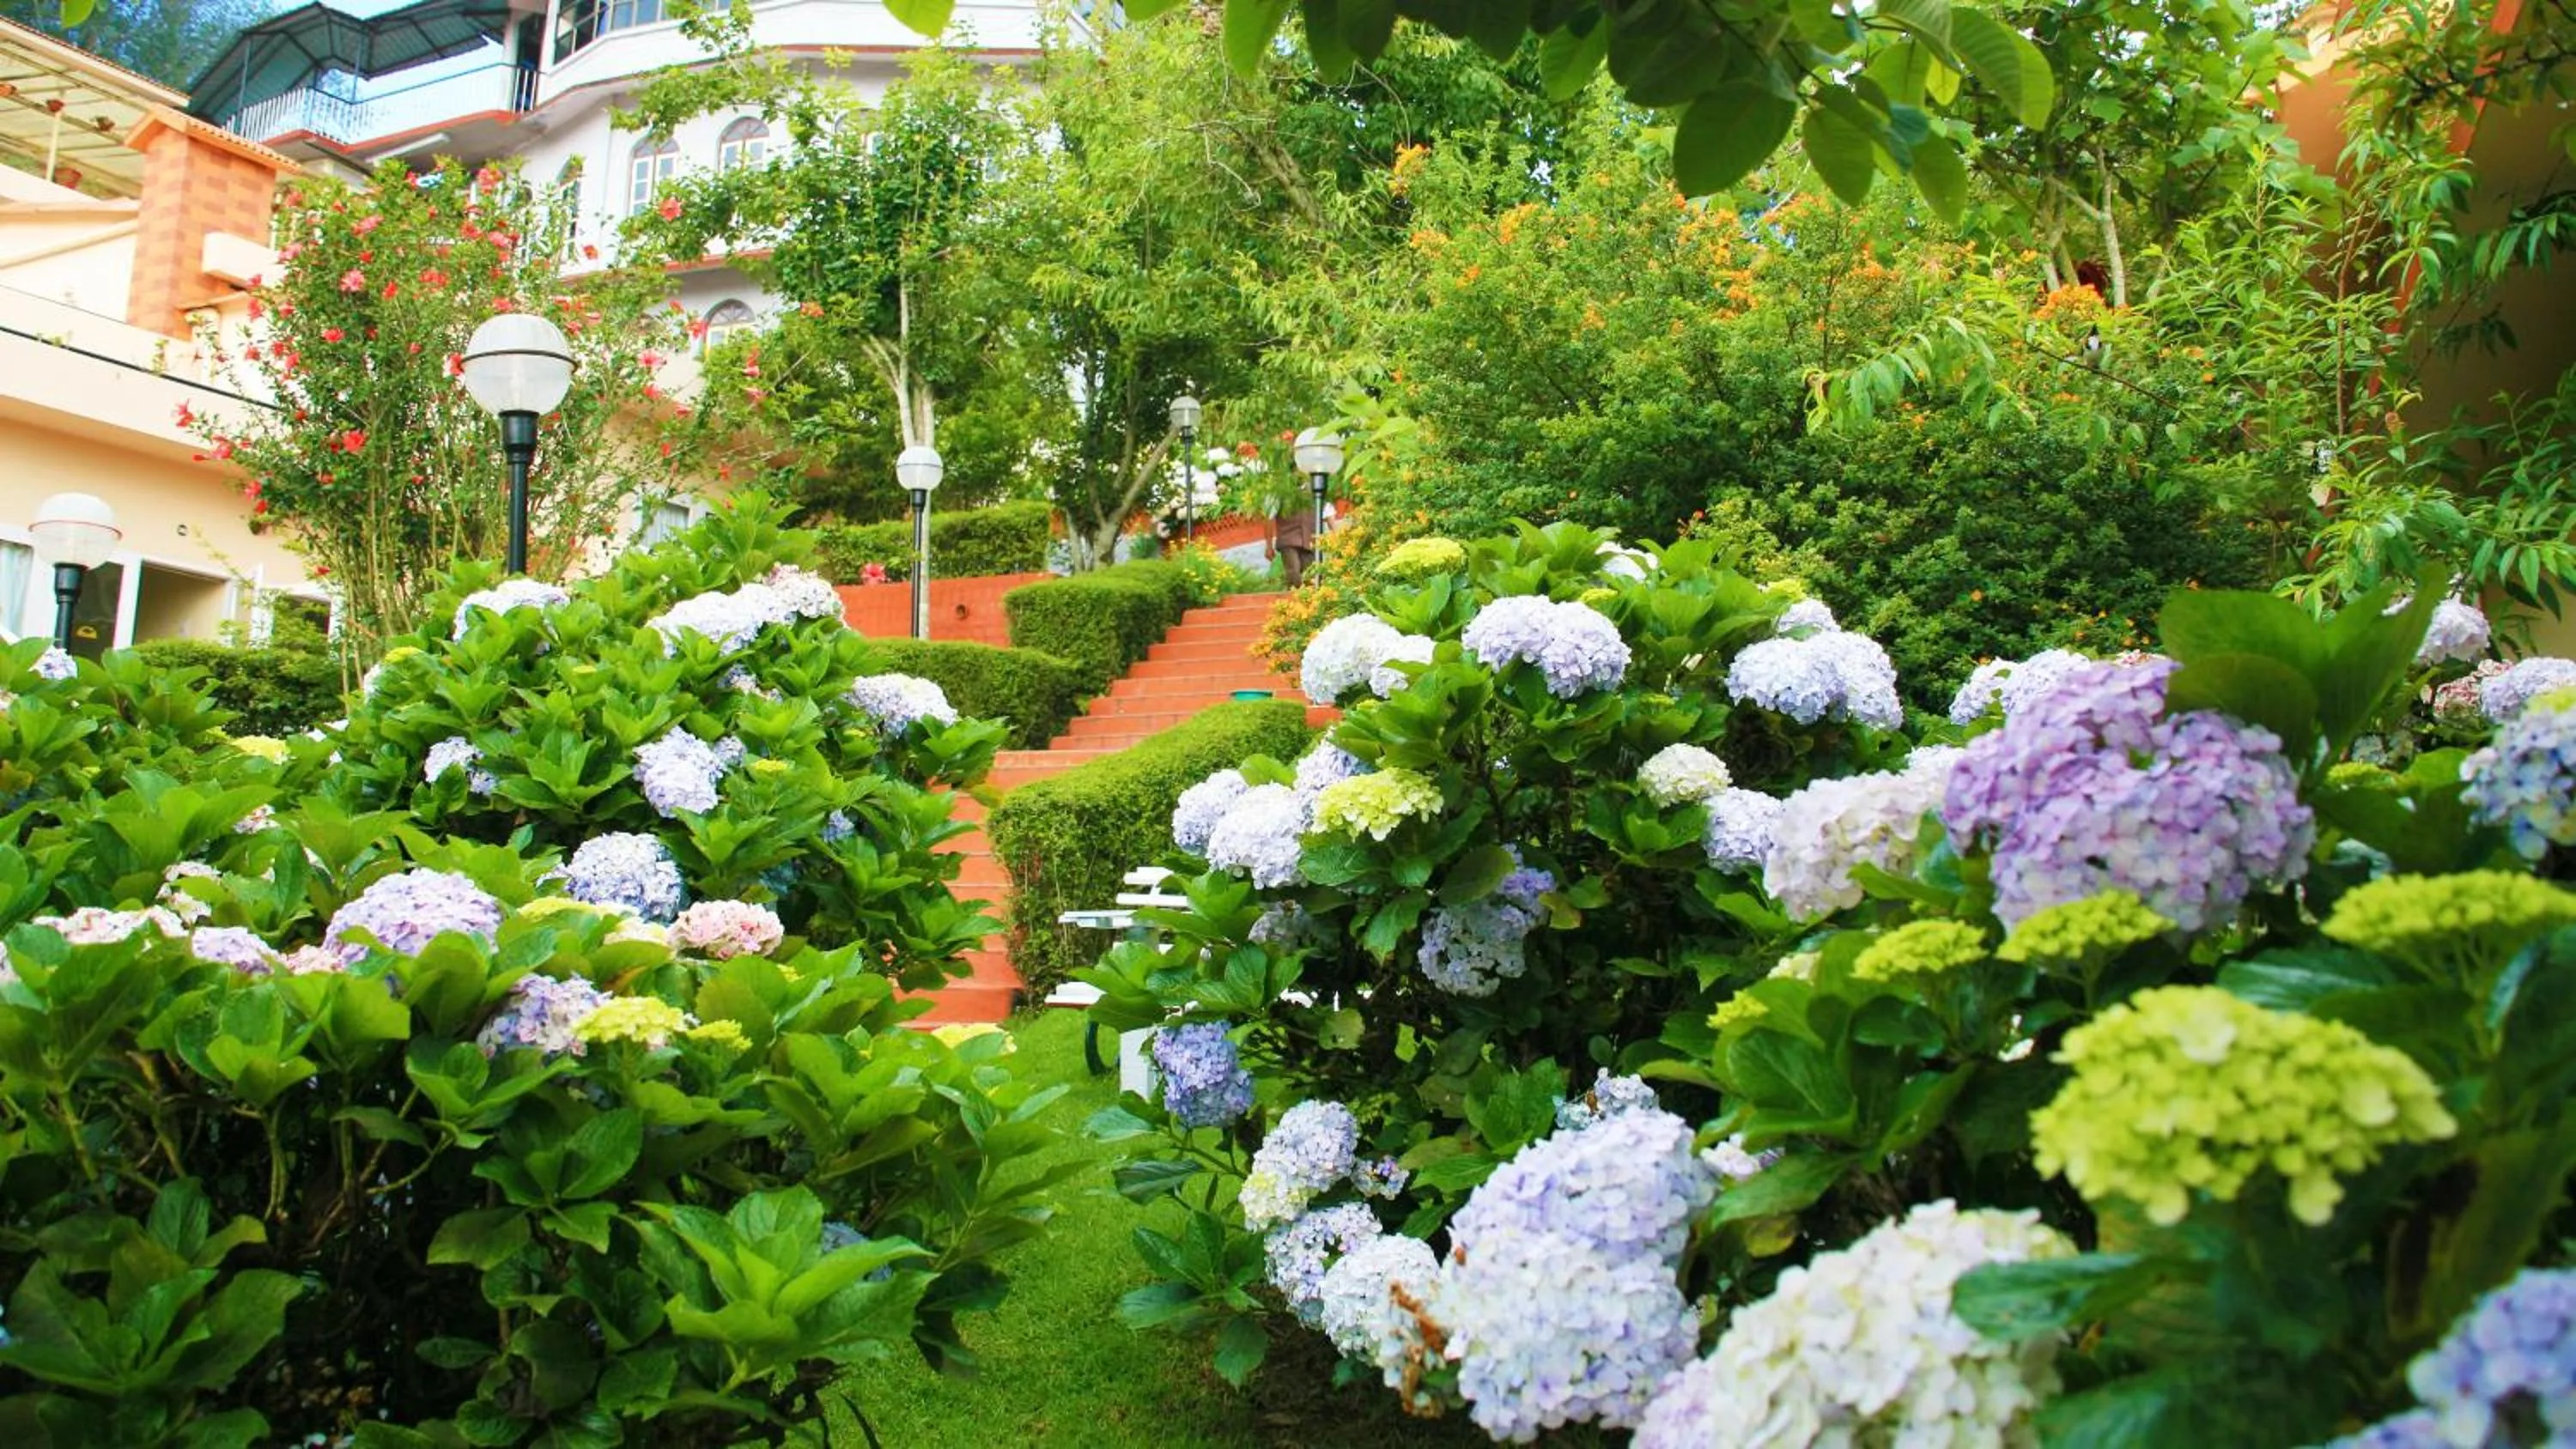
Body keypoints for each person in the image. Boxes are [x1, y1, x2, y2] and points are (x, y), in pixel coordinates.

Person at [1272, 497, 1315, 588]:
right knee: (1294, 574)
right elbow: (1268, 516)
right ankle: (1294, 599)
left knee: (1311, 575)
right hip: (1288, 540)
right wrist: (1268, 545)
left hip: (1309, 540)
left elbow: (1328, 513)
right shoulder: (1278, 492)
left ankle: (1309, 600)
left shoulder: (1314, 487)